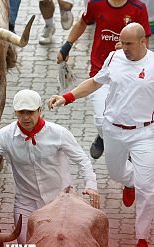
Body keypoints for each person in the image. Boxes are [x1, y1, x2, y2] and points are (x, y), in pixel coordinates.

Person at [48, 23, 154, 247]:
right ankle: (129, 183)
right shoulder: (114, 58)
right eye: (122, 43)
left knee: (147, 187)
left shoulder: (153, 65)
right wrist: (67, 97)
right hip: (114, 131)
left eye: (128, 44)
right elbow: (95, 83)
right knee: (117, 173)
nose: (123, 48)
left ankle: (142, 239)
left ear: (142, 42)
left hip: (144, 133)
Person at [0, 89, 99, 244]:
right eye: (21, 112)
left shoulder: (59, 133)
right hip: (26, 203)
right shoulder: (4, 136)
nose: (26, 117)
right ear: (15, 113)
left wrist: (91, 184)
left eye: (30, 112)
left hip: (60, 201)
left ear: (40, 110)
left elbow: (82, 160)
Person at [57, 0, 151, 159]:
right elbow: (82, 22)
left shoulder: (139, 8)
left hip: (128, 72)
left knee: (125, 114)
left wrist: (127, 48)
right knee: (102, 120)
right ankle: (102, 134)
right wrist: (66, 46)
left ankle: (128, 151)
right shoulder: (95, 3)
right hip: (100, 70)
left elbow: (145, 43)